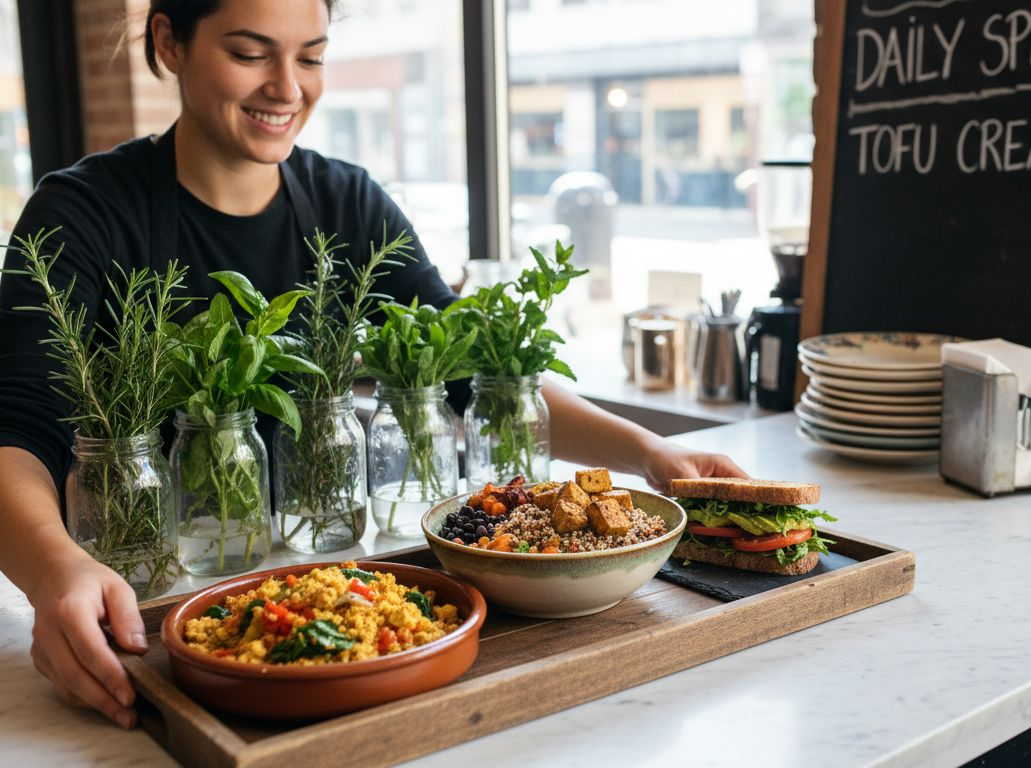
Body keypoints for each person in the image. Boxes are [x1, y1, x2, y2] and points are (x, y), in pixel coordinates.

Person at [0, 0, 744, 732]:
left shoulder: (346, 202)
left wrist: (650, 452)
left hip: (323, 585)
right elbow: (17, 430)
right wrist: (54, 573)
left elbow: (474, 364)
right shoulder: (82, 213)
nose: (287, 87)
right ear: (170, 42)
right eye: (250, 53)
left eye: (312, 57)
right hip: (145, 596)